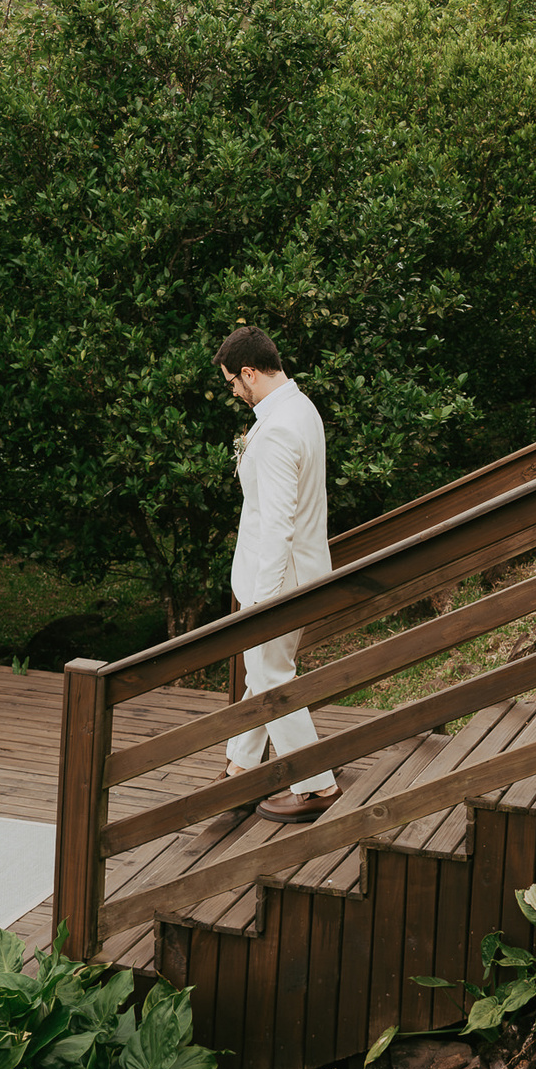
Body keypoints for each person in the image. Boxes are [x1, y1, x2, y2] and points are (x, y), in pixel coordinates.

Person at [213, 325, 340, 823]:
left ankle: (315, 784)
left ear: (248, 373)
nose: (234, 392)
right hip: (296, 572)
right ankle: (243, 768)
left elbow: (278, 525)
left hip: (279, 580)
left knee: (272, 677)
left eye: (232, 383)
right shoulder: (299, 408)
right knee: (263, 673)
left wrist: (261, 606)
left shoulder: (279, 428)